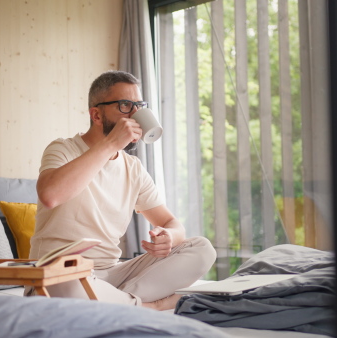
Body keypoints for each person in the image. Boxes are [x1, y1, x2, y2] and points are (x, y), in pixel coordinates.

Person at [29, 70, 216, 310]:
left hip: (113, 275)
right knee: (63, 282)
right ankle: (150, 307)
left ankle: (117, 303)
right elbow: (50, 196)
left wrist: (169, 238)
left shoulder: (133, 168)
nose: (136, 114)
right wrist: (110, 145)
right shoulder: (62, 149)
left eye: (139, 105)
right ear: (96, 114)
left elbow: (172, 223)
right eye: (126, 106)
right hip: (61, 274)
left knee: (201, 248)